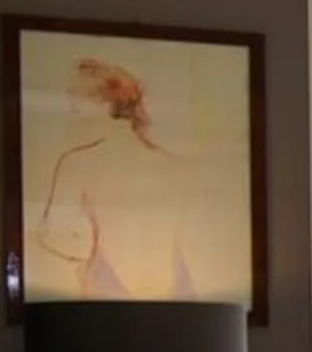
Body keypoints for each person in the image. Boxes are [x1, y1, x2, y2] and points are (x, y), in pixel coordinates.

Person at [32, 57, 207, 299]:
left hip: (108, 294)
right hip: (176, 294)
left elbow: (52, 235)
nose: (73, 112)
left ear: (104, 105)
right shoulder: (176, 168)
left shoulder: (78, 163)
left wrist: (85, 252)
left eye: (78, 102)